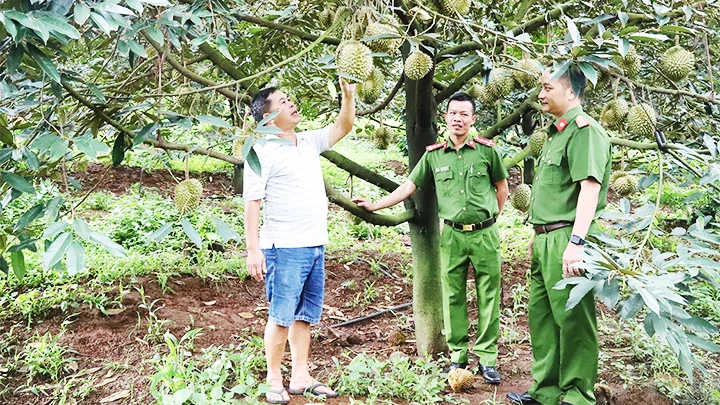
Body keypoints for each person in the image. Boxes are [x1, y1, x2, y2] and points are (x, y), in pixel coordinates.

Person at [354, 92, 509, 384]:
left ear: (473, 119)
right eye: (453, 113)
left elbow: (502, 189)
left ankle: (487, 359)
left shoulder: (488, 151)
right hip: (451, 234)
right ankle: (458, 357)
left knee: (489, 295)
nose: (458, 119)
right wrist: (375, 205)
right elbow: (409, 186)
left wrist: (491, 218)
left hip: (485, 234)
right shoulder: (434, 154)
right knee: (453, 295)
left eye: (464, 114)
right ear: (445, 118)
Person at [243, 80, 356, 404]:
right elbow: (252, 203)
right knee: (280, 315)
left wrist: (347, 96)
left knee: (304, 315)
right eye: (283, 101)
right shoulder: (259, 153)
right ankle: (274, 379)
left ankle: (301, 376)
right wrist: (253, 250)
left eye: (290, 98)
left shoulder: (307, 141)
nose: (292, 103)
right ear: (267, 116)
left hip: (314, 242)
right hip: (284, 246)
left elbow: (343, 125)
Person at [507, 65, 611, 405]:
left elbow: (589, 189)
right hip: (545, 238)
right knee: (543, 317)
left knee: (574, 320)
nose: (540, 94)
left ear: (571, 92)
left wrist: (576, 243)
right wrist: (540, 233)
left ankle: (577, 395)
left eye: (547, 87)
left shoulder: (585, 131)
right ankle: (546, 392)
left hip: (568, 238)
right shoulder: (556, 133)